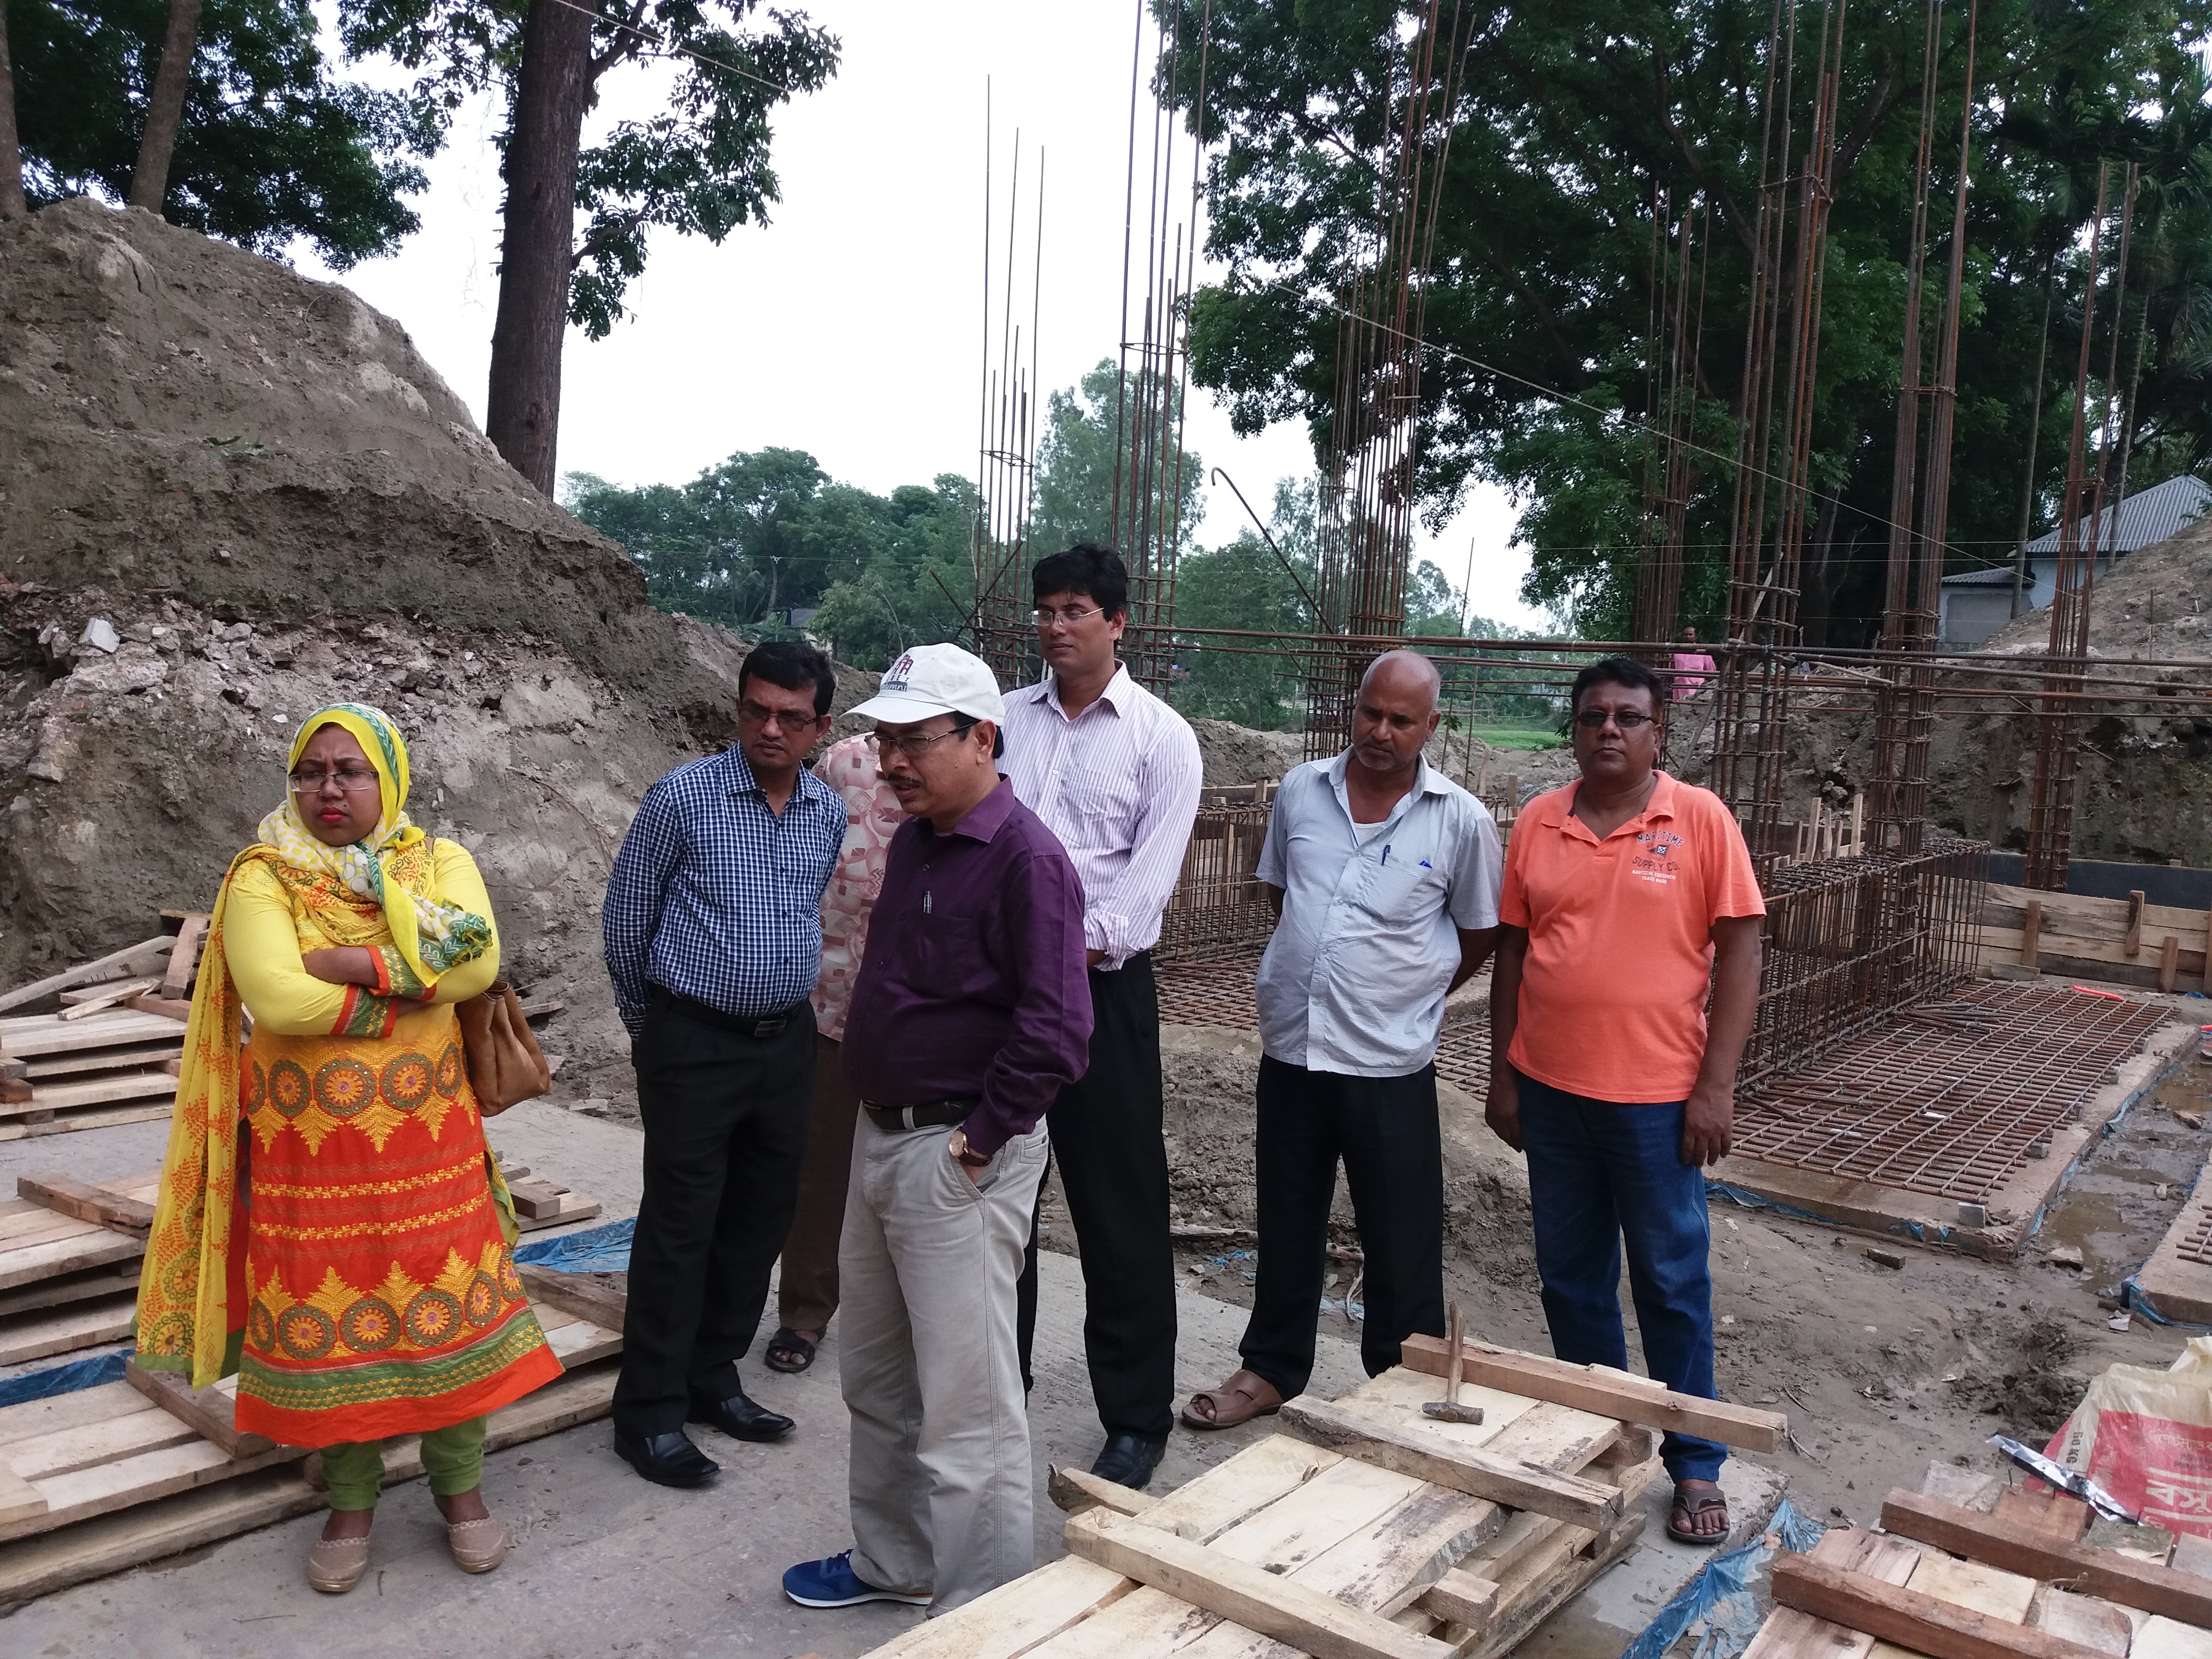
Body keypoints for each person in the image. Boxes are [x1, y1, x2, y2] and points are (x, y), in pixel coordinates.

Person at [136, 703, 558, 1595]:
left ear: (388, 780)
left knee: (448, 1314)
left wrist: (347, 963)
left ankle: (460, 1490)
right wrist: (412, 985)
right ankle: (352, 1503)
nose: (329, 788)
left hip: (430, 1153)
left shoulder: (439, 863)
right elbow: (278, 1001)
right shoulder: (264, 875)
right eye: (312, 771)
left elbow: (478, 967)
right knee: (332, 1327)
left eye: (351, 770)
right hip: (310, 1165)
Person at [783, 643, 1091, 1616]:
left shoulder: (1027, 861)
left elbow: (1057, 1030)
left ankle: (982, 1613)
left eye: (916, 740)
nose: (893, 761)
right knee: (876, 1380)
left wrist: (978, 1142)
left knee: (968, 1410)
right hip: (883, 1138)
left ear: (982, 738)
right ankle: (897, 1562)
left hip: (959, 1154)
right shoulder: (919, 837)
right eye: (885, 741)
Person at [1484, 655, 1764, 1546]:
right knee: (1572, 1278)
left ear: (1656, 732)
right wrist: (1502, 1073)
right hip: (1551, 1094)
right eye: (1593, 716)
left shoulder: (1698, 820)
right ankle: (1603, 1434)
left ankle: (1695, 1462)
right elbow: (1513, 953)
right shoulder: (1539, 821)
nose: (1608, 729)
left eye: (1627, 717)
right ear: (1573, 729)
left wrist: (1715, 1087)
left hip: (1656, 1102)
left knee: (1671, 1281)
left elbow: (1742, 949)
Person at [1184, 651, 1501, 1430]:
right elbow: (1282, 894)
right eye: (1371, 712)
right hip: (1294, 1047)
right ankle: (1271, 1368)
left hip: (1388, 1061)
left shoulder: (1460, 820)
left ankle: (1398, 1384)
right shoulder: (1302, 791)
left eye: (1401, 720)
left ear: (1432, 726)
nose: (1381, 732)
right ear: (1354, 707)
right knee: (1287, 1214)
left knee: (1401, 1233)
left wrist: (1408, 990)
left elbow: (1480, 931)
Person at [601, 640, 847, 1488]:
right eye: (756, 710)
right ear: (738, 708)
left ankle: (713, 1377)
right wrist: (655, 1031)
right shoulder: (684, 798)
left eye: (790, 717)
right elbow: (627, 920)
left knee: (759, 1219)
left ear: (820, 727)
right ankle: (649, 1413)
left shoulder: (825, 812)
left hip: (785, 1044)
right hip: (694, 1041)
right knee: (681, 1226)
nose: (770, 729)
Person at [1004, 543, 1202, 1490]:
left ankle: (1134, 1416)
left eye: (1075, 610)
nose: (1056, 626)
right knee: (995, 1193)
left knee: (1118, 1208)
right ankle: (993, 1386)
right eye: (1045, 610)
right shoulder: (1002, 722)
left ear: (1118, 622)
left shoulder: (1162, 739)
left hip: (1099, 995)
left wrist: (1043, 947)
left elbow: (1138, 899)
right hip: (998, 995)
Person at [761, 731, 903, 1376]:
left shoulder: (969, 770)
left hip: (922, 1012)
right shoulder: (847, 763)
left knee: (919, 1171)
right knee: (821, 1163)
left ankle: (912, 1317)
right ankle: (806, 1309)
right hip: (832, 997)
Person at [1670, 627, 1717, 701]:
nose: (1688, 637)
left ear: (1696, 637)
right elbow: (1672, 668)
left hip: (1697, 688)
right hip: (1680, 688)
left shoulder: (1703, 653)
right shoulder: (1677, 653)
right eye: (1686, 635)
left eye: (1690, 635)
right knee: (1679, 705)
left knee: (1694, 705)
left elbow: (1711, 673)